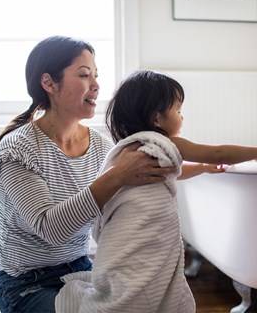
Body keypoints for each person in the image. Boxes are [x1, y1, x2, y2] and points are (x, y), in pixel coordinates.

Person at [0, 37, 176, 313]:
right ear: (49, 83)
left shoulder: (100, 146)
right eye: (84, 75)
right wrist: (117, 176)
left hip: (81, 267)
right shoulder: (18, 148)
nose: (96, 85)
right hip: (26, 282)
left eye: (96, 76)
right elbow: (51, 229)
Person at [54, 70, 257, 313]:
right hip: (142, 241)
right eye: (178, 110)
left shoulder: (133, 151)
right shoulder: (164, 143)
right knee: (143, 284)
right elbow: (219, 153)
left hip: (126, 244)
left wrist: (202, 168)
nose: (182, 117)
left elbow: (173, 171)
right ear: (157, 119)